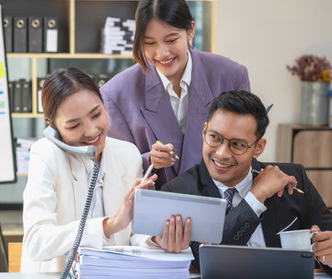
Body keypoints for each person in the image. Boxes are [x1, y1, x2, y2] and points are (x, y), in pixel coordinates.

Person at [161, 90, 332, 277]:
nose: (222, 153)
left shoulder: (294, 178)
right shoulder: (179, 192)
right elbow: (209, 263)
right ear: (204, 132)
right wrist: (255, 197)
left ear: (258, 148)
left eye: (237, 144)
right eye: (215, 137)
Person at [101, 0, 250, 188]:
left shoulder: (232, 76)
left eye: (171, 40)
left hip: (221, 204)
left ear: (190, 30)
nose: (162, 53)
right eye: (149, 43)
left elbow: (245, 147)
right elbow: (113, 167)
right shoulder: (116, 94)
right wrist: (148, 160)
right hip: (152, 207)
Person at [20, 67, 156, 272]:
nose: (92, 131)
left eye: (96, 114)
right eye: (74, 126)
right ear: (52, 127)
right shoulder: (45, 154)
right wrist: (108, 225)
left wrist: (156, 238)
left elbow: (135, 233)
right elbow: (36, 240)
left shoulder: (128, 154)